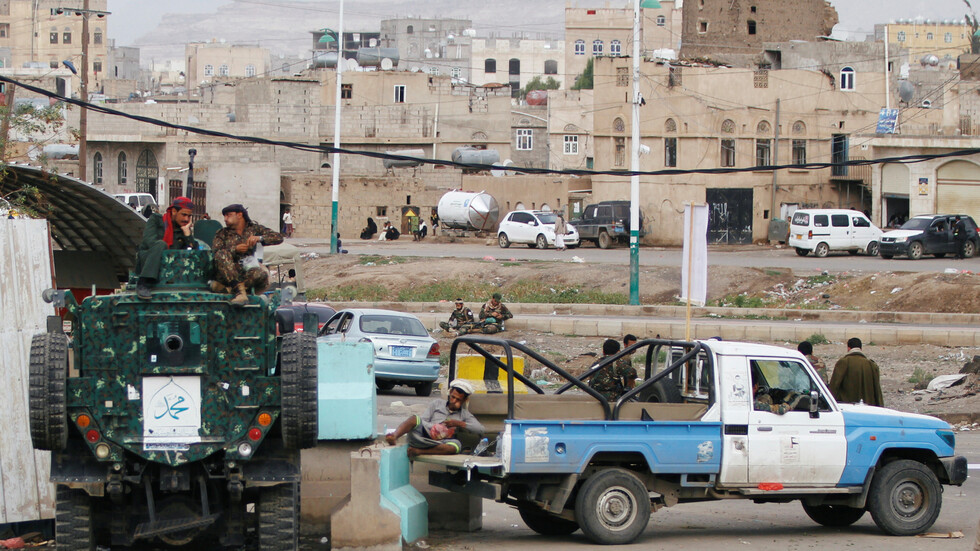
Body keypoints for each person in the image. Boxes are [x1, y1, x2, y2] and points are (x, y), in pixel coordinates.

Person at [385, 380, 485, 457]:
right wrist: (435, 428)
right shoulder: (437, 404)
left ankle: (419, 451)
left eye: (458, 399)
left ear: (464, 400)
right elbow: (423, 420)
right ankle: (394, 437)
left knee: (456, 446)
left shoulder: (464, 414)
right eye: (453, 397)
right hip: (423, 436)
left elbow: (481, 429)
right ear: (450, 393)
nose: (454, 401)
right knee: (414, 418)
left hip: (440, 443)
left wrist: (459, 424)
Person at [211, 204, 284, 306]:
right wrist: (235, 250)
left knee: (261, 274)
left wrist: (259, 238)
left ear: (239, 215)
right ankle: (239, 292)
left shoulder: (254, 229)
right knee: (222, 254)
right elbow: (215, 252)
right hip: (227, 273)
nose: (225, 219)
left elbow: (278, 237)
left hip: (246, 270)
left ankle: (229, 290)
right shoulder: (222, 233)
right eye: (224, 216)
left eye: (228, 215)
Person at [134, 196, 199, 299]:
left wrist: (187, 234)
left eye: (189, 216)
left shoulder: (182, 229)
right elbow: (149, 241)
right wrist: (167, 254)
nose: (186, 219)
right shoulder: (156, 220)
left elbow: (194, 252)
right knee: (161, 244)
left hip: (172, 269)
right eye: (183, 215)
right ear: (174, 211)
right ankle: (144, 282)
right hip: (148, 261)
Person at [829, 337, 884, 407]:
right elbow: (877, 391)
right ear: (861, 349)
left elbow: (834, 386)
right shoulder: (871, 365)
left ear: (848, 348)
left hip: (848, 407)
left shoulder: (843, 362)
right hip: (869, 408)